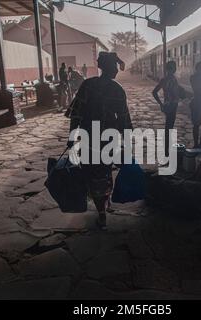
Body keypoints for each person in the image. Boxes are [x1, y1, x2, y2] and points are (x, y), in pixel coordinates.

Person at [66, 52, 132, 230]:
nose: (117, 71)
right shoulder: (117, 90)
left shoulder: (88, 85)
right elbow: (124, 119)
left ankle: (101, 208)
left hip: (90, 138)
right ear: (109, 68)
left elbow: (76, 113)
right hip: (109, 139)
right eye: (115, 68)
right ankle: (103, 206)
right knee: (104, 171)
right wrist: (127, 140)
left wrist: (72, 136)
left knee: (93, 173)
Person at [152, 61, 186, 155]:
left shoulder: (166, 79)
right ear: (170, 69)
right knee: (169, 128)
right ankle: (166, 150)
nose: (173, 70)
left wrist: (161, 104)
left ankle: (167, 148)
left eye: (173, 68)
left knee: (169, 127)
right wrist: (161, 104)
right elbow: (154, 92)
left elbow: (155, 92)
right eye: (172, 68)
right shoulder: (170, 79)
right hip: (170, 105)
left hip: (170, 105)